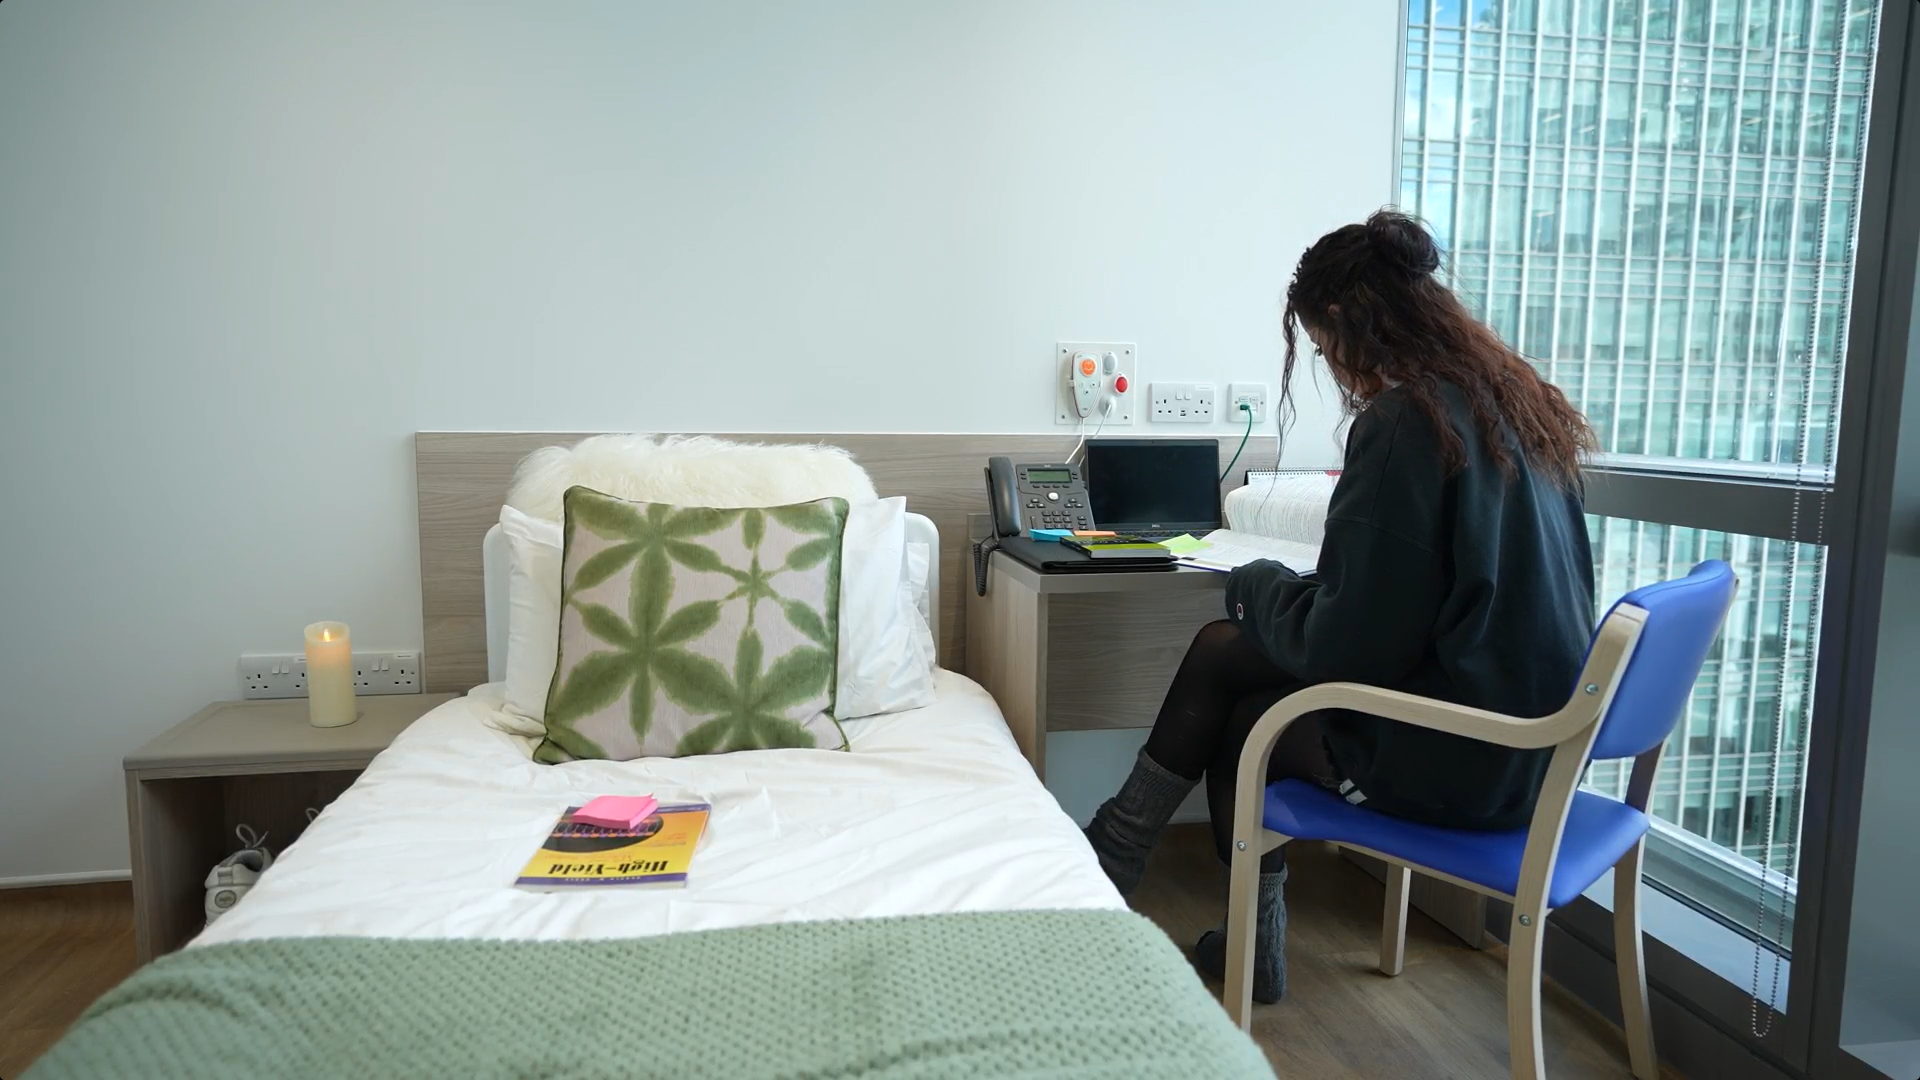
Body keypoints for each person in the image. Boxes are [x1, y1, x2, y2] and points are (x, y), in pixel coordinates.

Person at [1082, 209, 1598, 1004]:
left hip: (1461, 759)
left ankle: (1114, 867)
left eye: (1323, 350)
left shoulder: (1406, 422)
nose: (1334, 368)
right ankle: (1162, 889)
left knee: (1246, 702)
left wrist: (1255, 581)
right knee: (1237, 676)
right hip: (1535, 750)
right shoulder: (1515, 409)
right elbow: (1414, 603)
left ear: (1347, 326)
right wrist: (1293, 594)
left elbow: (1347, 650)